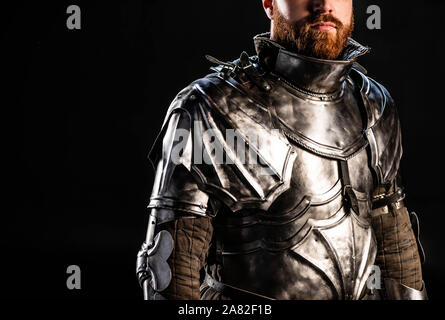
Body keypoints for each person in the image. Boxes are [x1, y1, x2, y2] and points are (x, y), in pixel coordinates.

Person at [136, 0, 427, 300]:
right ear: (269, 3)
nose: (324, 5)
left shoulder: (374, 107)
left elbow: (396, 251)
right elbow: (172, 270)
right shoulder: (210, 107)